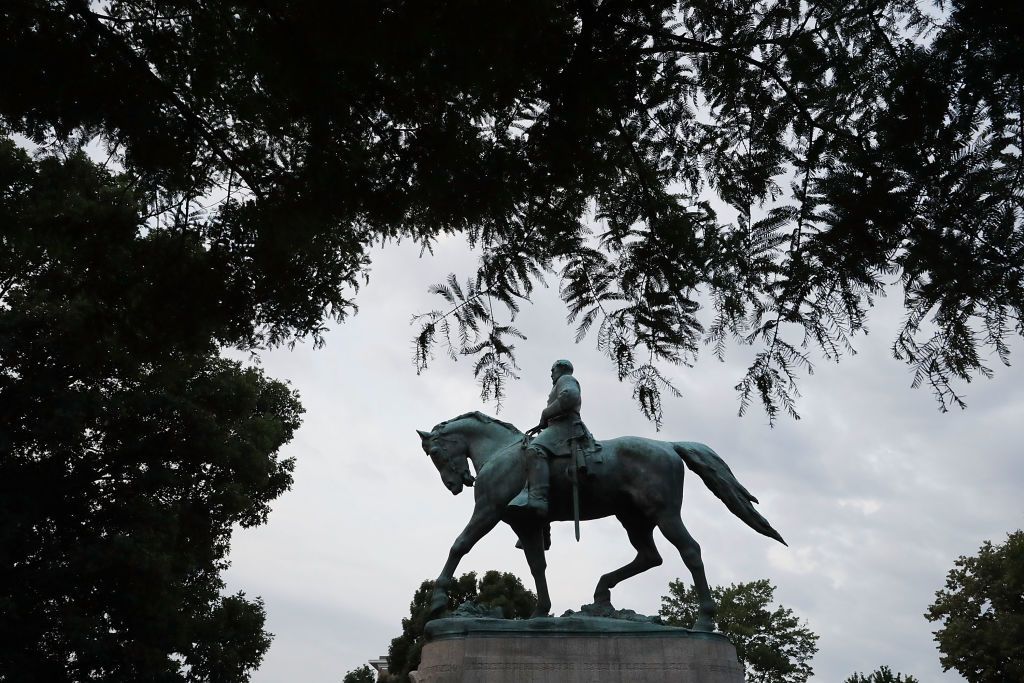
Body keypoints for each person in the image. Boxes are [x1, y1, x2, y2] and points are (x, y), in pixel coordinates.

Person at [514, 359, 594, 517]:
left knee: (534, 450)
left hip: (565, 427)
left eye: (553, 370)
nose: (551, 373)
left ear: (562, 369)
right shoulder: (559, 383)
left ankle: (538, 497)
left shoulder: (566, 379)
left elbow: (570, 396)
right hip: (558, 426)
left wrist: (545, 414)